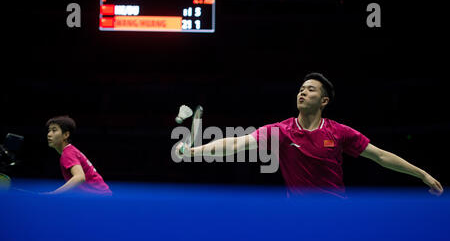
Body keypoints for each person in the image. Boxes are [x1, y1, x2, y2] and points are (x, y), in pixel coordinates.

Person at [176, 72, 443, 198]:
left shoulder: (339, 132)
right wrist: (195, 152)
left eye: (310, 90)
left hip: (336, 214)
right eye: (301, 89)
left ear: (324, 100)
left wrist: (422, 174)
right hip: (299, 218)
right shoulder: (281, 131)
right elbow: (236, 143)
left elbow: (381, 156)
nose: (302, 92)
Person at [46, 115, 112, 195]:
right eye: (49, 131)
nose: (49, 134)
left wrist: (54, 194)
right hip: (100, 198)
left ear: (66, 135)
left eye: (54, 130)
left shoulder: (68, 153)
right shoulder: (71, 151)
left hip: (100, 199)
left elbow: (79, 177)